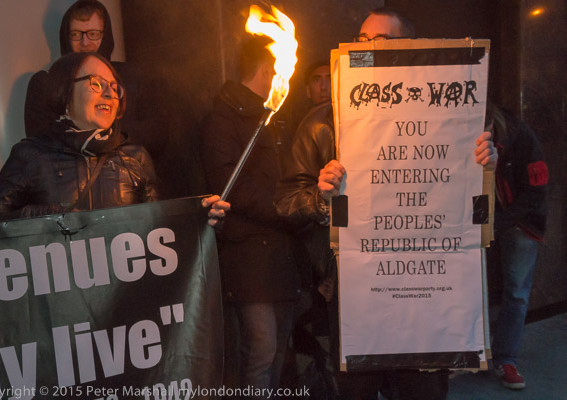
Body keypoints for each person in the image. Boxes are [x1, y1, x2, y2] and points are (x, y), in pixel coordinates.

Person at [275, 7, 498, 400]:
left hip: (428, 296)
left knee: (422, 391)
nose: (366, 48)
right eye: (360, 40)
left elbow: (476, 212)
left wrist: (484, 171)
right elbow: (287, 203)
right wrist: (321, 197)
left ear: (409, 48)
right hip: (356, 294)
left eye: (378, 41)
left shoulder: (454, 116)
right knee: (357, 391)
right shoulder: (323, 123)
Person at [0, 52, 228, 225]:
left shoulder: (135, 158)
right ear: (65, 92)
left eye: (114, 87)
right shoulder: (31, 157)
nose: (109, 93)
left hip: (123, 291)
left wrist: (201, 219)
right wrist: (49, 216)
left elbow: (160, 231)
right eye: (96, 82)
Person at [200, 35, 301, 397]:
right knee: (260, 352)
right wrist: (285, 207)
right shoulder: (224, 118)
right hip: (248, 255)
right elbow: (231, 185)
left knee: (278, 353)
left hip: (281, 253)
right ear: (270, 68)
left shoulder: (272, 116)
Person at [486, 103, 548, 390]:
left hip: (520, 218)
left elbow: (536, 191)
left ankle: (505, 358)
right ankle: (469, 353)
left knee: (517, 290)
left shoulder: (520, 137)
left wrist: (499, 223)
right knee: (466, 286)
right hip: (480, 215)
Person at [24, 0, 139, 140]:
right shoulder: (46, 83)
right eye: (76, 34)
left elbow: (147, 132)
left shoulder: (127, 77)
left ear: (105, 35)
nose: (85, 43)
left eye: (93, 34)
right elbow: (39, 139)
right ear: (66, 37)